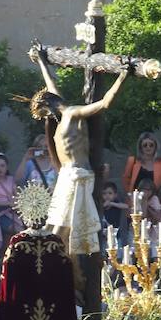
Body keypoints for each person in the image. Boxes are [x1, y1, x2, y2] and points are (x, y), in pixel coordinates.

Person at [29, 44, 131, 256]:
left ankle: (51, 261)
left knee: (63, 228)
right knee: (55, 222)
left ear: (48, 106)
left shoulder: (72, 114)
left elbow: (104, 104)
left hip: (78, 174)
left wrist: (122, 76)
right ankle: (48, 258)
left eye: (43, 114)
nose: (46, 120)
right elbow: (51, 85)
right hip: (67, 174)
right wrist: (41, 61)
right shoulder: (59, 112)